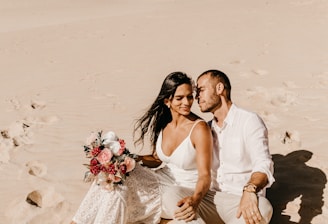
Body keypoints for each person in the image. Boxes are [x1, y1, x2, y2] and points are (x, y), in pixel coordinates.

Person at [71, 71, 219, 224]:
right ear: (167, 101)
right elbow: (156, 159)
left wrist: (195, 201)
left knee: (119, 185)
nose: (186, 102)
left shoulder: (199, 129)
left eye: (189, 96)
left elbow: (205, 175)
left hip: (179, 190)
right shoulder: (165, 124)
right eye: (179, 98)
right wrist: (127, 158)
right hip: (159, 178)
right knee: (111, 176)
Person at [187, 69, 275, 224]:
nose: (196, 97)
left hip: (241, 200)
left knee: (263, 208)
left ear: (219, 89)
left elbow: (264, 165)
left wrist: (250, 190)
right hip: (210, 200)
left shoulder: (249, 121)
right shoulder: (205, 129)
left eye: (201, 90)